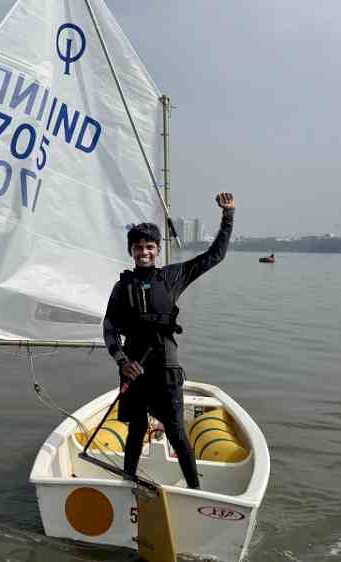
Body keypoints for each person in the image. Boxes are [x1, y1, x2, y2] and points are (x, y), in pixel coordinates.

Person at [103, 192, 235, 489]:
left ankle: (194, 490)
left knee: (176, 430)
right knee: (135, 430)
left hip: (165, 369)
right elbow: (109, 327)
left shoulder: (174, 276)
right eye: (138, 248)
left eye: (149, 247)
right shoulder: (121, 287)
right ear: (131, 251)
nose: (144, 252)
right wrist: (122, 362)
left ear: (158, 249)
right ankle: (128, 482)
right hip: (133, 369)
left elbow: (215, 256)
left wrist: (228, 216)